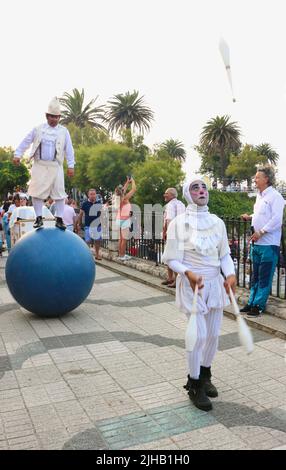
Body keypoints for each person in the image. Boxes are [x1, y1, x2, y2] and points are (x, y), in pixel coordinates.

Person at [162, 177, 236, 411]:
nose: (201, 190)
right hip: (193, 286)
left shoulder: (218, 222)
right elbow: (171, 258)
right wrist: (188, 274)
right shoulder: (178, 222)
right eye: (195, 187)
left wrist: (231, 274)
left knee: (213, 334)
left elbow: (224, 254)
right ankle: (194, 384)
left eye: (203, 186)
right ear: (187, 193)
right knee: (199, 335)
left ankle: (205, 375)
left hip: (214, 284)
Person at [12, 97, 75, 230]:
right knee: (36, 192)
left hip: (56, 165)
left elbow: (69, 149)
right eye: (52, 116)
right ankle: (39, 218)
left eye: (57, 117)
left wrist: (71, 165)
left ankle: (59, 218)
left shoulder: (64, 131)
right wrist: (18, 154)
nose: (54, 119)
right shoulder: (38, 129)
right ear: (47, 116)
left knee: (59, 192)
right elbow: (26, 141)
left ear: (59, 117)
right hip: (39, 165)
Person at [240, 165, 285, 317]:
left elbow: (277, 219)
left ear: (266, 179)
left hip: (269, 244)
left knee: (264, 276)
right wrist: (250, 217)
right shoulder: (260, 196)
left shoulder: (276, 196)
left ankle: (258, 306)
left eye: (257, 177)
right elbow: (260, 215)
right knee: (255, 276)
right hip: (257, 243)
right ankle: (252, 302)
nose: (255, 179)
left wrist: (261, 231)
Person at [162, 188, 185, 287]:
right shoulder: (181, 204)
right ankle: (171, 278)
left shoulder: (170, 205)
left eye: (166, 193)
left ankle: (175, 280)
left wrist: (165, 232)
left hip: (172, 234)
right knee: (174, 256)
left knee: (171, 256)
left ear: (172, 195)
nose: (164, 195)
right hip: (181, 232)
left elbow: (169, 220)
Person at [114, 176, 136, 261]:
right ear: (122, 192)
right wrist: (133, 181)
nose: (124, 189)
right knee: (124, 239)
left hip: (119, 219)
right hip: (125, 220)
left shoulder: (118, 198)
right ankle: (122, 256)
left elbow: (124, 189)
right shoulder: (125, 198)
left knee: (121, 238)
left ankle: (120, 255)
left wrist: (127, 181)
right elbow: (134, 189)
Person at [77, 188, 102, 260]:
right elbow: (80, 214)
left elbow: (101, 213)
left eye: (94, 194)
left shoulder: (98, 203)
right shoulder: (85, 204)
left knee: (97, 241)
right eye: (91, 194)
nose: (93, 196)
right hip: (88, 225)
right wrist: (79, 224)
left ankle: (97, 255)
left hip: (97, 225)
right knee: (88, 241)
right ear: (88, 195)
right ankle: (88, 256)